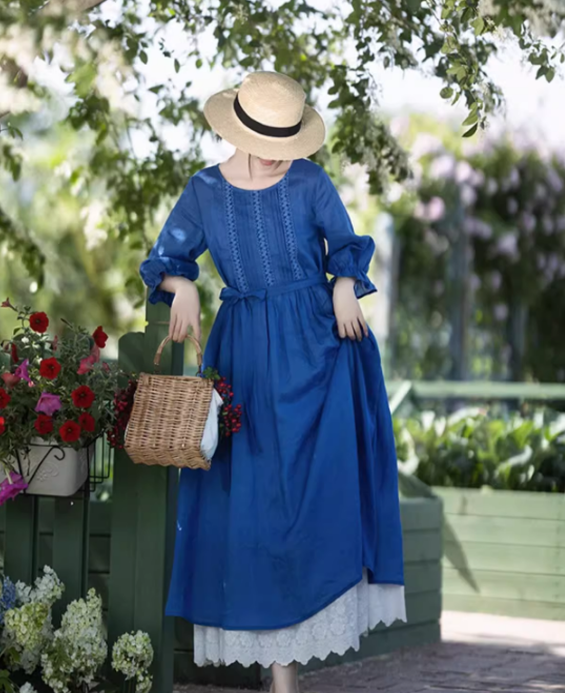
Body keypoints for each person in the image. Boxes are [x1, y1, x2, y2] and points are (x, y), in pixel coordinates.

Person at [139, 70, 406, 693]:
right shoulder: (204, 190)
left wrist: (344, 284)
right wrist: (182, 288)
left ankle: (288, 665)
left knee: (317, 493)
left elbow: (346, 244)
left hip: (319, 347)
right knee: (252, 501)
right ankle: (277, 673)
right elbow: (168, 255)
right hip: (245, 360)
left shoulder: (310, 180)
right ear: (239, 128)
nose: (277, 155)